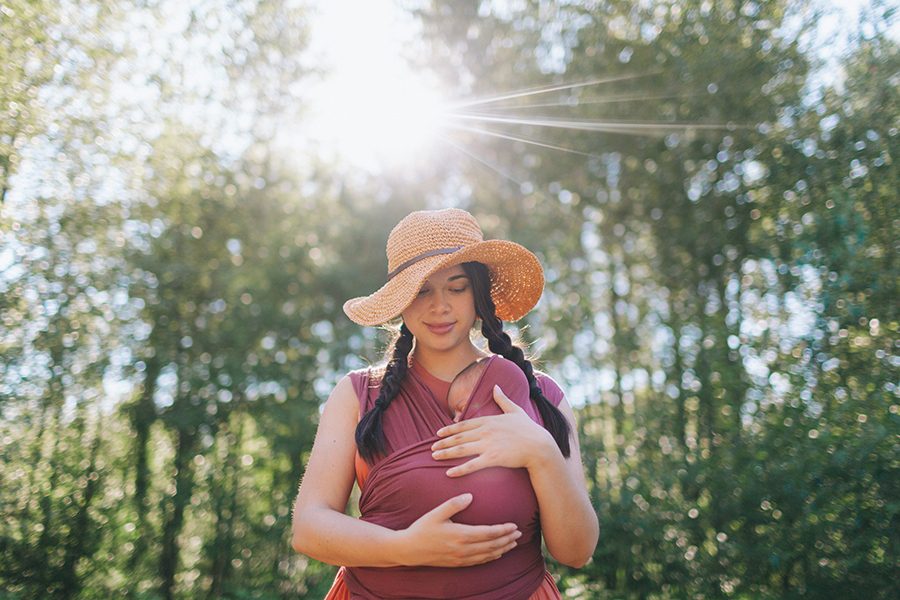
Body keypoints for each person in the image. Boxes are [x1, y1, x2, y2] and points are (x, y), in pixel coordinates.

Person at [291, 208, 599, 599]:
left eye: (457, 288)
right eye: (422, 290)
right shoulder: (358, 394)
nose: (440, 306)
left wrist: (541, 452)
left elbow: (576, 552)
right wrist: (404, 548)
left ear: (479, 295)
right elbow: (308, 528)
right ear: (402, 300)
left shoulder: (541, 395)